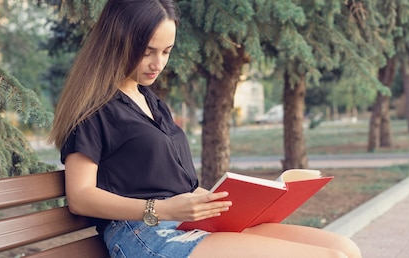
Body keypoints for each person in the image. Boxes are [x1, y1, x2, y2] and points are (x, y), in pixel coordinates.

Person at [48, 0, 362, 257]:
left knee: (344, 249)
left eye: (167, 51)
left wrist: (244, 199)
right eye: (147, 52)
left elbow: (176, 184)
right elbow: (81, 196)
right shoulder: (94, 109)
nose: (158, 63)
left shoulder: (151, 102)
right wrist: (162, 209)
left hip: (187, 224)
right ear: (117, 42)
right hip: (145, 233)